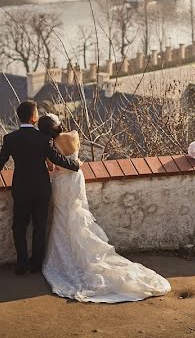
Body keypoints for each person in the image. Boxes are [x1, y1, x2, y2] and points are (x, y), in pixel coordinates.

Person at [36, 114, 171, 303]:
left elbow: (52, 167)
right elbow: (75, 159)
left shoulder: (50, 145)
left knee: (62, 216)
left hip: (61, 183)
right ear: (59, 125)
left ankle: (66, 255)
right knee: (77, 212)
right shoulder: (73, 136)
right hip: (76, 181)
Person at [0, 100, 80, 275]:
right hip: (41, 189)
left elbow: (1, 160)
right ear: (33, 118)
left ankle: (22, 264)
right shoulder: (44, 139)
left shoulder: (10, 138)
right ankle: (36, 265)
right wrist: (75, 165)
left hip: (21, 188)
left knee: (19, 227)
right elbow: (56, 159)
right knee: (40, 226)